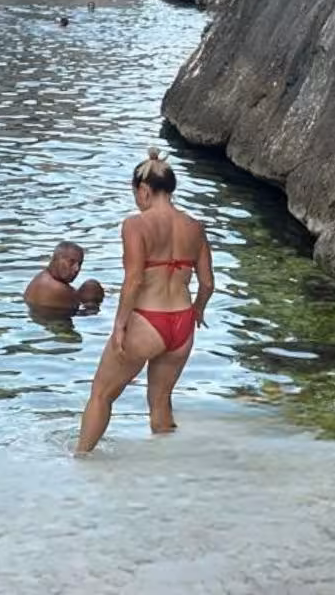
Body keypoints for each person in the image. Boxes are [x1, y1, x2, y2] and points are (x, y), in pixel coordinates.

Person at [75, 148, 213, 455]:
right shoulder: (195, 226)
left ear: (144, 190)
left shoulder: (135, 225)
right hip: (182, 323)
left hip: (148, 320)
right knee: (161, 399)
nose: (137, 200)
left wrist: (120, 326)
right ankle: (163, 479)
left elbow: (134, 279)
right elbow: (206, 283)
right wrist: (198, 310)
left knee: (101, 394)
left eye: (136, 194)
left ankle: (79, 464)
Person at [25, 241, 92, 314]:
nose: (77, 269)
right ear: (55, 259)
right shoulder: (59, 289)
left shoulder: (41, 276)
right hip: (57, 323)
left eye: (79, 264)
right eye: (71, 262)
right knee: (92, 286)